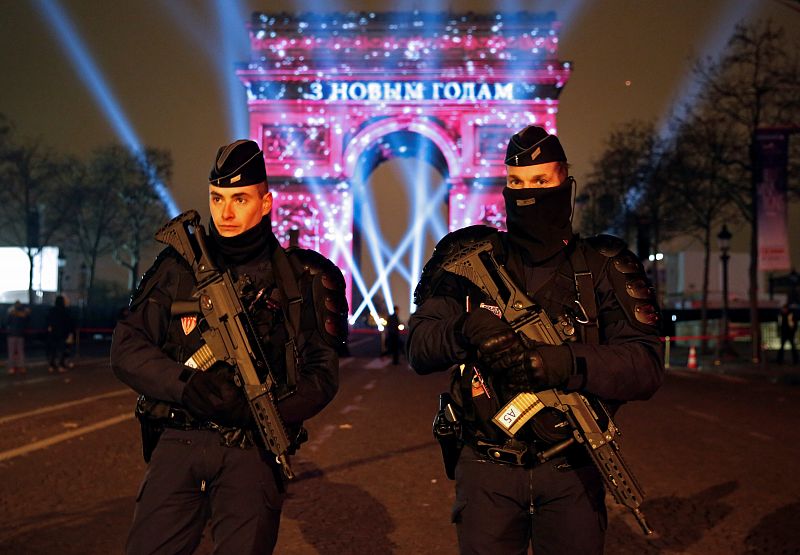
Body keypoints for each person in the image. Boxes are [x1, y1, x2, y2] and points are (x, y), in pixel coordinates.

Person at [407, 125, 664, 554]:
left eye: (540, 181)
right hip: (486, 466)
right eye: (516, 182)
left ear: (566, 183)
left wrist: (565, 363)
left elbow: (646, 365)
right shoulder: (470, 260)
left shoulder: (604, 265)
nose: (527, 193)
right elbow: (419, 347)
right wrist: (465, 328)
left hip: (572, 468)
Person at [110, 139, 348, 554]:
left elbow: (322, 375)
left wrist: (264, 413)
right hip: (178, 438)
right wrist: (183, 384)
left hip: (251, 449)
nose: (226, 212)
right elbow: (127, 347)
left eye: (240, 199)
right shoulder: (177, 268)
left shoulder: (303, 278)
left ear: (267, 202)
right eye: (217, 198)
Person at [46, 295, 75, 373]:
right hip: (63, 333)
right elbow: (70, 323)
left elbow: (48, 321)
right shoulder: (65, 311)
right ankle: (61, 365)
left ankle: (52, 365)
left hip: (53, 333)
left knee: (53, 350)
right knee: (62, 350)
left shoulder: (52, 310)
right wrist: (70, 333)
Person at [5, 300, 30, 375]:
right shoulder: (24, 314)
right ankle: (22, 367)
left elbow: (6, 322)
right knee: (21, 352)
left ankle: (12, 368)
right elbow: (27, 322)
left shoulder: (11, 313)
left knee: (11, 352)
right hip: (21, 335)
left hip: (12, 335)